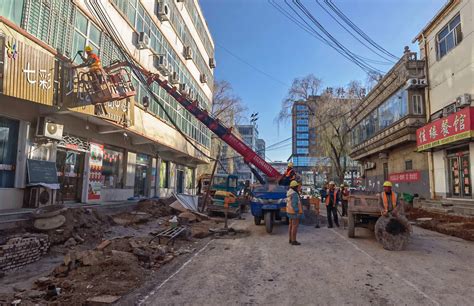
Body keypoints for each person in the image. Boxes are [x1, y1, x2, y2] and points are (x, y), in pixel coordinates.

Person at [287, 180, 303, 245]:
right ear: (295, 187)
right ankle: (294, 241)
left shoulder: (289, 193)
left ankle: (290, 239)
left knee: (290, 225)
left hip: (289, 211)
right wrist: (297, 211)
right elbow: (294, 204)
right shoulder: (294, 194)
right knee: (294, 226)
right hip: (294, 212)